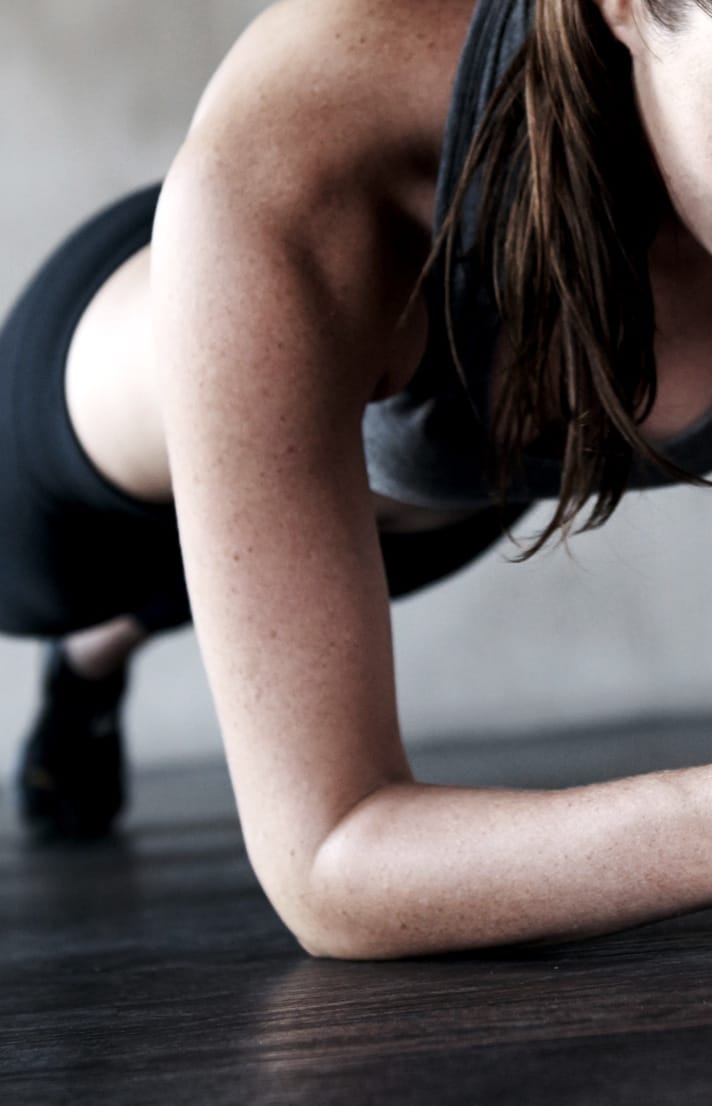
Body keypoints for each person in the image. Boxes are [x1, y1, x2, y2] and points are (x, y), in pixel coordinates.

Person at [3, 0, 712, 958]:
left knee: (374, 537)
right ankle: (92, 655)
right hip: (103, 437)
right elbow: (330, 863)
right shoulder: (311, 164)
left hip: (442, 490)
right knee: (73, 586)